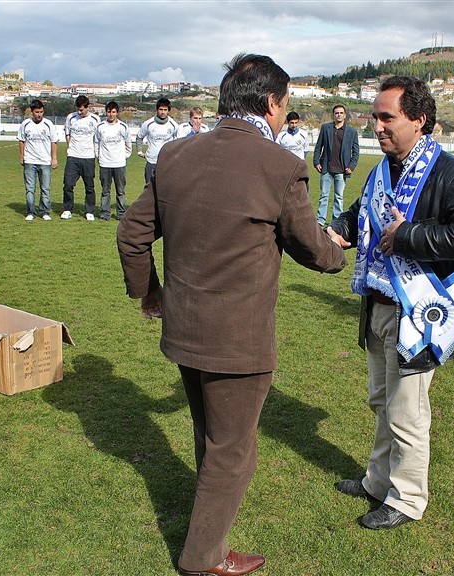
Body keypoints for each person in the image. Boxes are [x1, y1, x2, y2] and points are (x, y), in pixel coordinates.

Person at [118, 53, 345, 576]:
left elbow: (132, 234)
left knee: (212, 439)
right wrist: (339, 248)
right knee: (232, 452)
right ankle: (203, 557)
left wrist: (150, 293)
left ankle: (207, 532)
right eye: (285, 105)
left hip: (184, 329)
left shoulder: (175, 153)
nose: (285, 114)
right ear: (271, 103)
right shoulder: (281, 165)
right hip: (237, 340)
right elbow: (312, 249)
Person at [326, 77, 454, 529]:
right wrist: (335, 230)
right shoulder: (382, 170)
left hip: (419, 313)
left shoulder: (452, 173)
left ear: (419, 120)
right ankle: (377, 480)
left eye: (386, 117)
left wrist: (408, 236)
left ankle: (407, 498)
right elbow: (360, 215)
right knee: (381, 401)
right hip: (379, 305)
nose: (375, 125)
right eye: (373, 117)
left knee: (407, 412)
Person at [313, 104, 360, 225]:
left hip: (342, 170)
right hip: (326, 168)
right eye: (336, 113)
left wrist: (352, 166)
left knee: (339, 197)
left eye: (341, 113)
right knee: (324, 196)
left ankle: (337, 221)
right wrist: (316, 161)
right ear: (333, 115)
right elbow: (319, 146)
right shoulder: (325, 128)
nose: (338, 115)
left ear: (344, 115)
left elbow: (356, 152)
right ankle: (320, 220)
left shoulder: (351, 132)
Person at [17, 100, 58, 221]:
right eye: (37, 112)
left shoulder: (48, 124)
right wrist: (22, 156)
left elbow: (54, 142)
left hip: (45, 161)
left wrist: (54, 158)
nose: (39, 114)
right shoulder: (25, 124)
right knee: (30, 189)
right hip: (30, 161)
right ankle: (31, 211)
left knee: (45, 188)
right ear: (32, 112)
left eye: (41, 112)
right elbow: (21, 141)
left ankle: (44, 211)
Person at [61, 95, 101, 220]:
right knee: (68, 185)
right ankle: (67, 209)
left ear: (88, 107)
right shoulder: (71, 118)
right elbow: (68, 134)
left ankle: (89, 211)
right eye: (78, 110)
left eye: (82, 110)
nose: (79, 112)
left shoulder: (95, 119)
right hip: (73, 157)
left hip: (88, 157)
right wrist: (72, 148)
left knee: (89, 186)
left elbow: (98, 138)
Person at [94, 101, 131, 221]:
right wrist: (99, 157)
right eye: (109, 112)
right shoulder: (100, 127)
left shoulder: (123, 127)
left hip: (119, 164)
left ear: (117, 112)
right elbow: (96, 143)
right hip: (105, 164)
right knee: (105, 191)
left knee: (120, 191)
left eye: (113, 112)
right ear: (106, 112)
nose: (111, 114)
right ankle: (105, 213)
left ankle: (121, 214)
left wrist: (123, 157)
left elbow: (128, 144)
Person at [136, 97, 179, 184]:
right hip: (152, 162)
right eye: (160, 109)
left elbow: (178, 141)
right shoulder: (148, 124)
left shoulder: (174, 125)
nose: (163, 112)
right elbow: (139, 137)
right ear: (157, 110)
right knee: (149, 189)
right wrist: (140, 151)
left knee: (165, 190)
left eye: (165, 110)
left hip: (167, 162)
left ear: (168, 110)